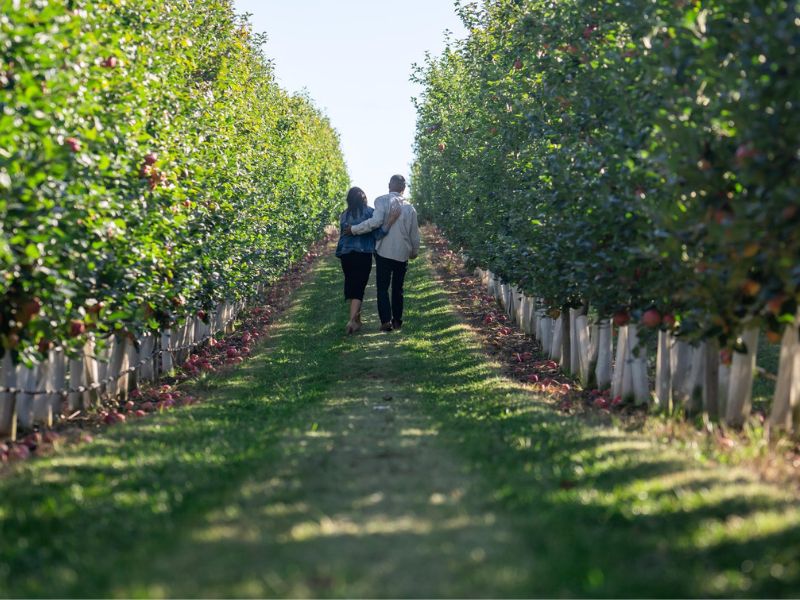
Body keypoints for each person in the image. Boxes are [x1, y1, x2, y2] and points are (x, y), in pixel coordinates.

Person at [345, 174, 420, 332]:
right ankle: (397, 321)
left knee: (382, 287)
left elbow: (375, 222)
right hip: (402, 251)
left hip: (384, 250)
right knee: (398, 288)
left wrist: (354, 229)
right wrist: (414, 250)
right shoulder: (410, 208)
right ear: (404, 188)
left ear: (389, 185)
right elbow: (414, 233)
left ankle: (385, 320)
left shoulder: (381, 201)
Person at [335, 187, 399, 334]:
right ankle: (351, 321)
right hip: (362, 254)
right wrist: (390, 222)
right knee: (359, 288)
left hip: (346, 254)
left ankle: (357, 321)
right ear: (364, 199)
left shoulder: (344, 215)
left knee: (352, 285)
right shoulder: (369, 212)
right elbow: (377, 234)